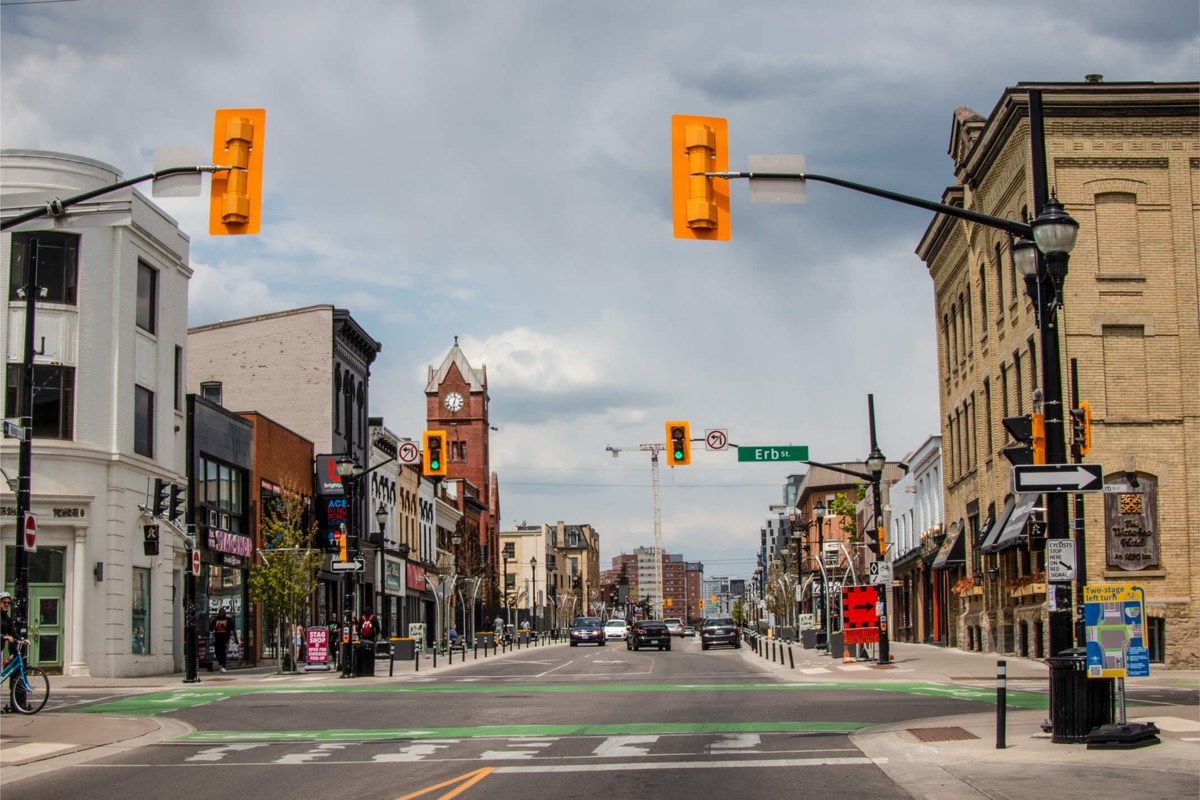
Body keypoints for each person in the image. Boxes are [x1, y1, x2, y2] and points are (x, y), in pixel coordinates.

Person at [209, 607, 238, 673]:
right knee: (217, 652)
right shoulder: (216, 620)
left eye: (222, 612)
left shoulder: (228, 620)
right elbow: (210, 628)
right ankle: (221, 664)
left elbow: (233, 629)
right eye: (220, 612)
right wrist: (214, 627)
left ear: (224, 613)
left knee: (223, 652)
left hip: (225, 638)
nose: (221, 613)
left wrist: (236, 638)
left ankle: (223, 666)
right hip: (217, 638)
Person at [1, 592, 15, 714]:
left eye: (8, 603)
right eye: (4, 602)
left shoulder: (7, 618)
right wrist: (4, 637)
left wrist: (22, 639)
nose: (6, 605)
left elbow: (13, 632)